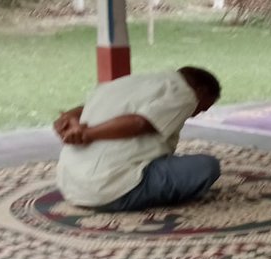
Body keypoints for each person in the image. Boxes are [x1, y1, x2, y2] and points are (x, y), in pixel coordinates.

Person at [54, 66, 222, 212]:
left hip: (71, 187)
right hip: (108, 192)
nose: (195, 114)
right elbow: (140, 123)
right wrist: (87, 135)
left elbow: (83, 109)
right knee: (206, 167)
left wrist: (69, 120)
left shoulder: (127, 83)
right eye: (202, 108)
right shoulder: (185, 95)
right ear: (200, 92)